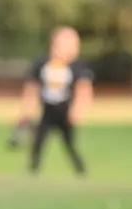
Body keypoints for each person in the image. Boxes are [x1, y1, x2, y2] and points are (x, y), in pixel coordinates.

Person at [15, 26, 93, 177]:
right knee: (39, 140)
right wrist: (25, 111)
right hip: (47, 111)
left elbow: (84, 90)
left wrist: (77, 111)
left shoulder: (77, 67)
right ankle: (33, 170)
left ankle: (81, 171)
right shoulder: (42, 64)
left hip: (65, 112)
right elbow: (31, 88)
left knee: (70, 144)